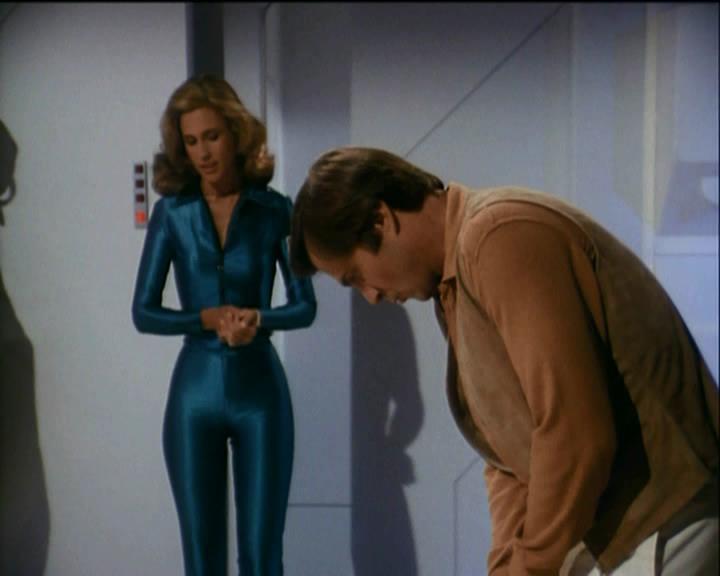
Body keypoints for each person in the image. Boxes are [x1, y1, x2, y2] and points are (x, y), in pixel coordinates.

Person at [288, 147, 719, 575]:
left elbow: (576, 434)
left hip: (666, 517)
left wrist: (528, 567)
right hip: (621, 529)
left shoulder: (498, 237)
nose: (370, 296)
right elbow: (510, 460)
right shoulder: (457, 282)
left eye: (356, 276)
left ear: (380, 219)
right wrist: (506, 566)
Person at [132, 74, 316, 576]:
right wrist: (204, 319)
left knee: (262, 558)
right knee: (202, 561)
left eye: (212, 136)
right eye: (191, 141)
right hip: (194, 395)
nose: (203, 153)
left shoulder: (274, 210)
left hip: (260, 393)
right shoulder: (172, 214)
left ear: (236, 134)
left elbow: (305, 306)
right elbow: (143, 312)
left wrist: (259, 318)